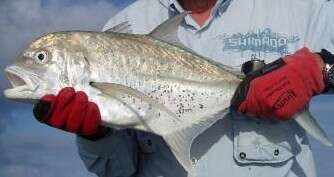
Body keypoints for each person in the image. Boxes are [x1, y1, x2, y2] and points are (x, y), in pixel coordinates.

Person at [32, 0, 334, 176]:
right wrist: (95, 135)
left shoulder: (301, 7)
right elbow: (119, 171)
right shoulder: (122, 27)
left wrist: (323, 68)